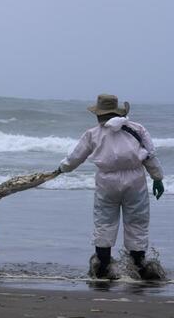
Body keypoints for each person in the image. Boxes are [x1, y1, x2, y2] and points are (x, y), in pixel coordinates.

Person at [57, 94, 165, 280]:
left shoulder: (93, 133)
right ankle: (138, 266)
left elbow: (76, 157)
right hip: (135, 179)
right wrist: (157, 178)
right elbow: (149, 155)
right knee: (137, 221)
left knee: (105, 221)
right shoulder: (136, 129)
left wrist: (62, 168)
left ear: (99, 114)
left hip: (107, 180)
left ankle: (103, 266)